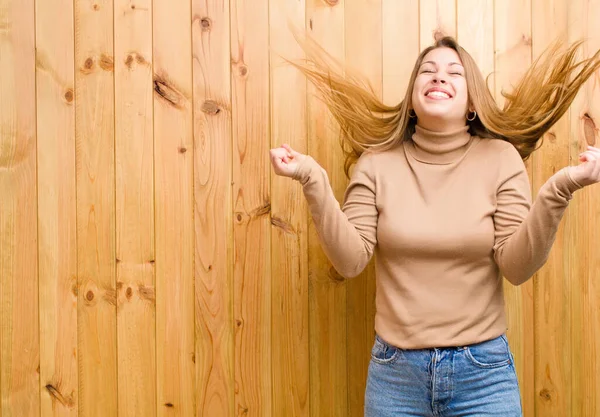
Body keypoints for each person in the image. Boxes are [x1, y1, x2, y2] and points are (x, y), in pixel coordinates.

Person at [269, 35, 600, 416]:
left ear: (472, 102)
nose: (438, 77)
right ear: (412, 97)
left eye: (453, 73)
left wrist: (561, 188)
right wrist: (311, 177)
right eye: (427, 71)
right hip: (396, 378)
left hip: (483, 376)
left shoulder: (500, 158)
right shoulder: (377, 163)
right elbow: (350, 261)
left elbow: (517, 266)